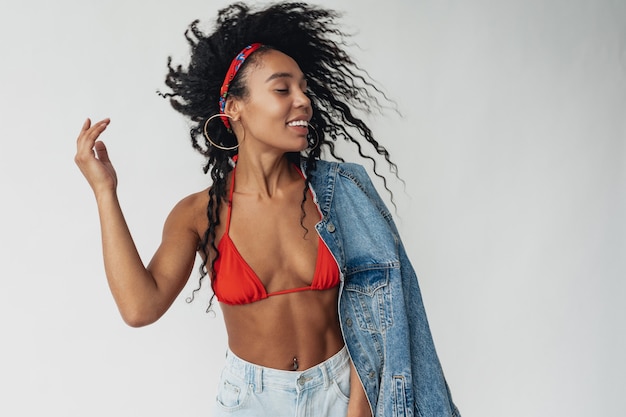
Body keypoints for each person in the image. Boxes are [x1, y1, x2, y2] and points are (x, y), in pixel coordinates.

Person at [74, 2, 460, 416]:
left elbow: (387, 317)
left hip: (344, 392)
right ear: (234, 108)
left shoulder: (342, 192)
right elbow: (139, 308)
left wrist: (359, 405)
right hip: (250, 401)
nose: (303, 101)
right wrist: (105, 191)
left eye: (304, 89)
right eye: (282, 89)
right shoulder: (198, 214)